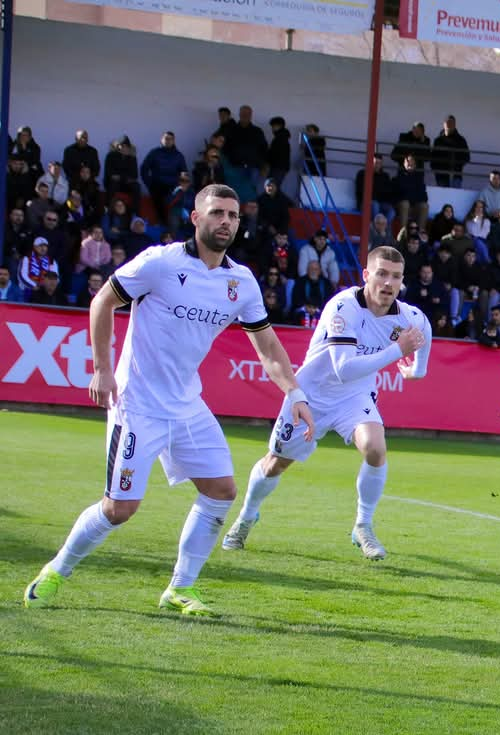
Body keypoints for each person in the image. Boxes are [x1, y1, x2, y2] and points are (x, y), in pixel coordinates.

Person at [23, 184, 314, 616]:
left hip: (187, 403)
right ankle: (56, 571)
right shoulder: (160, 263)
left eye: (233, 215)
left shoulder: (241, 281)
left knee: (221, 490)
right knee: (120, 509)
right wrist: (102, 369)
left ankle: (181, 588)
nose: (226, 222)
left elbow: (268, 347)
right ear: (195, 218)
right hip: (138, 402)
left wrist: (294, 392)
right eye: (217, 213)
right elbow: (102, 302)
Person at [223, 246, 431, 559]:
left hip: (355, 396)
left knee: (375, 448)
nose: (389, 283)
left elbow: (425, 333)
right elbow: (343, 368)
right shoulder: (343, 306)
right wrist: (398, 352)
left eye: (396, 277)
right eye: (382, 274)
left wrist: (417, 370)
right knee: (276, 462)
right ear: (366, 276)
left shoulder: (410, 316)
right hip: (312, 395)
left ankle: (363, 526)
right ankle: (246, 516)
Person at [431, 115, 470, 188]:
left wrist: (456, 164)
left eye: (452, 123)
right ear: (444, 124)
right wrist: (436, 169)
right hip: (441, 175)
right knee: (442, 197)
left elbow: (467, 157)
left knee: (455, 197)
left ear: (455, 125)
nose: (449, 124)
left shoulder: (461, 140)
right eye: (447, 122)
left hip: (456, 175)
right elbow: (433, 157)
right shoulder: (438, 141)